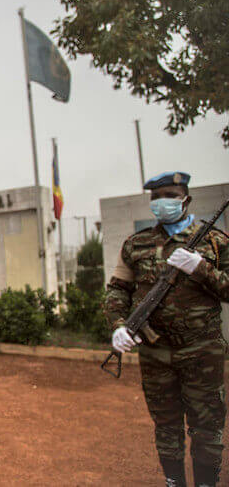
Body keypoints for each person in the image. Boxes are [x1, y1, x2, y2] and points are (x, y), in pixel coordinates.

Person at [104, 171, 228, 487]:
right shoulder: (136, 243)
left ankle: (206, 483)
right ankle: (174, 481)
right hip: (156, 352)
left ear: (185, 199)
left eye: (169, 196)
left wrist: (201, 269)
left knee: (207, 425)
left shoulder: (215, 242)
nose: (162, 203)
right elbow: (118, 289)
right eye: (156, 198)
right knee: (166, 425)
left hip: (202, 350)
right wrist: (119, 325)